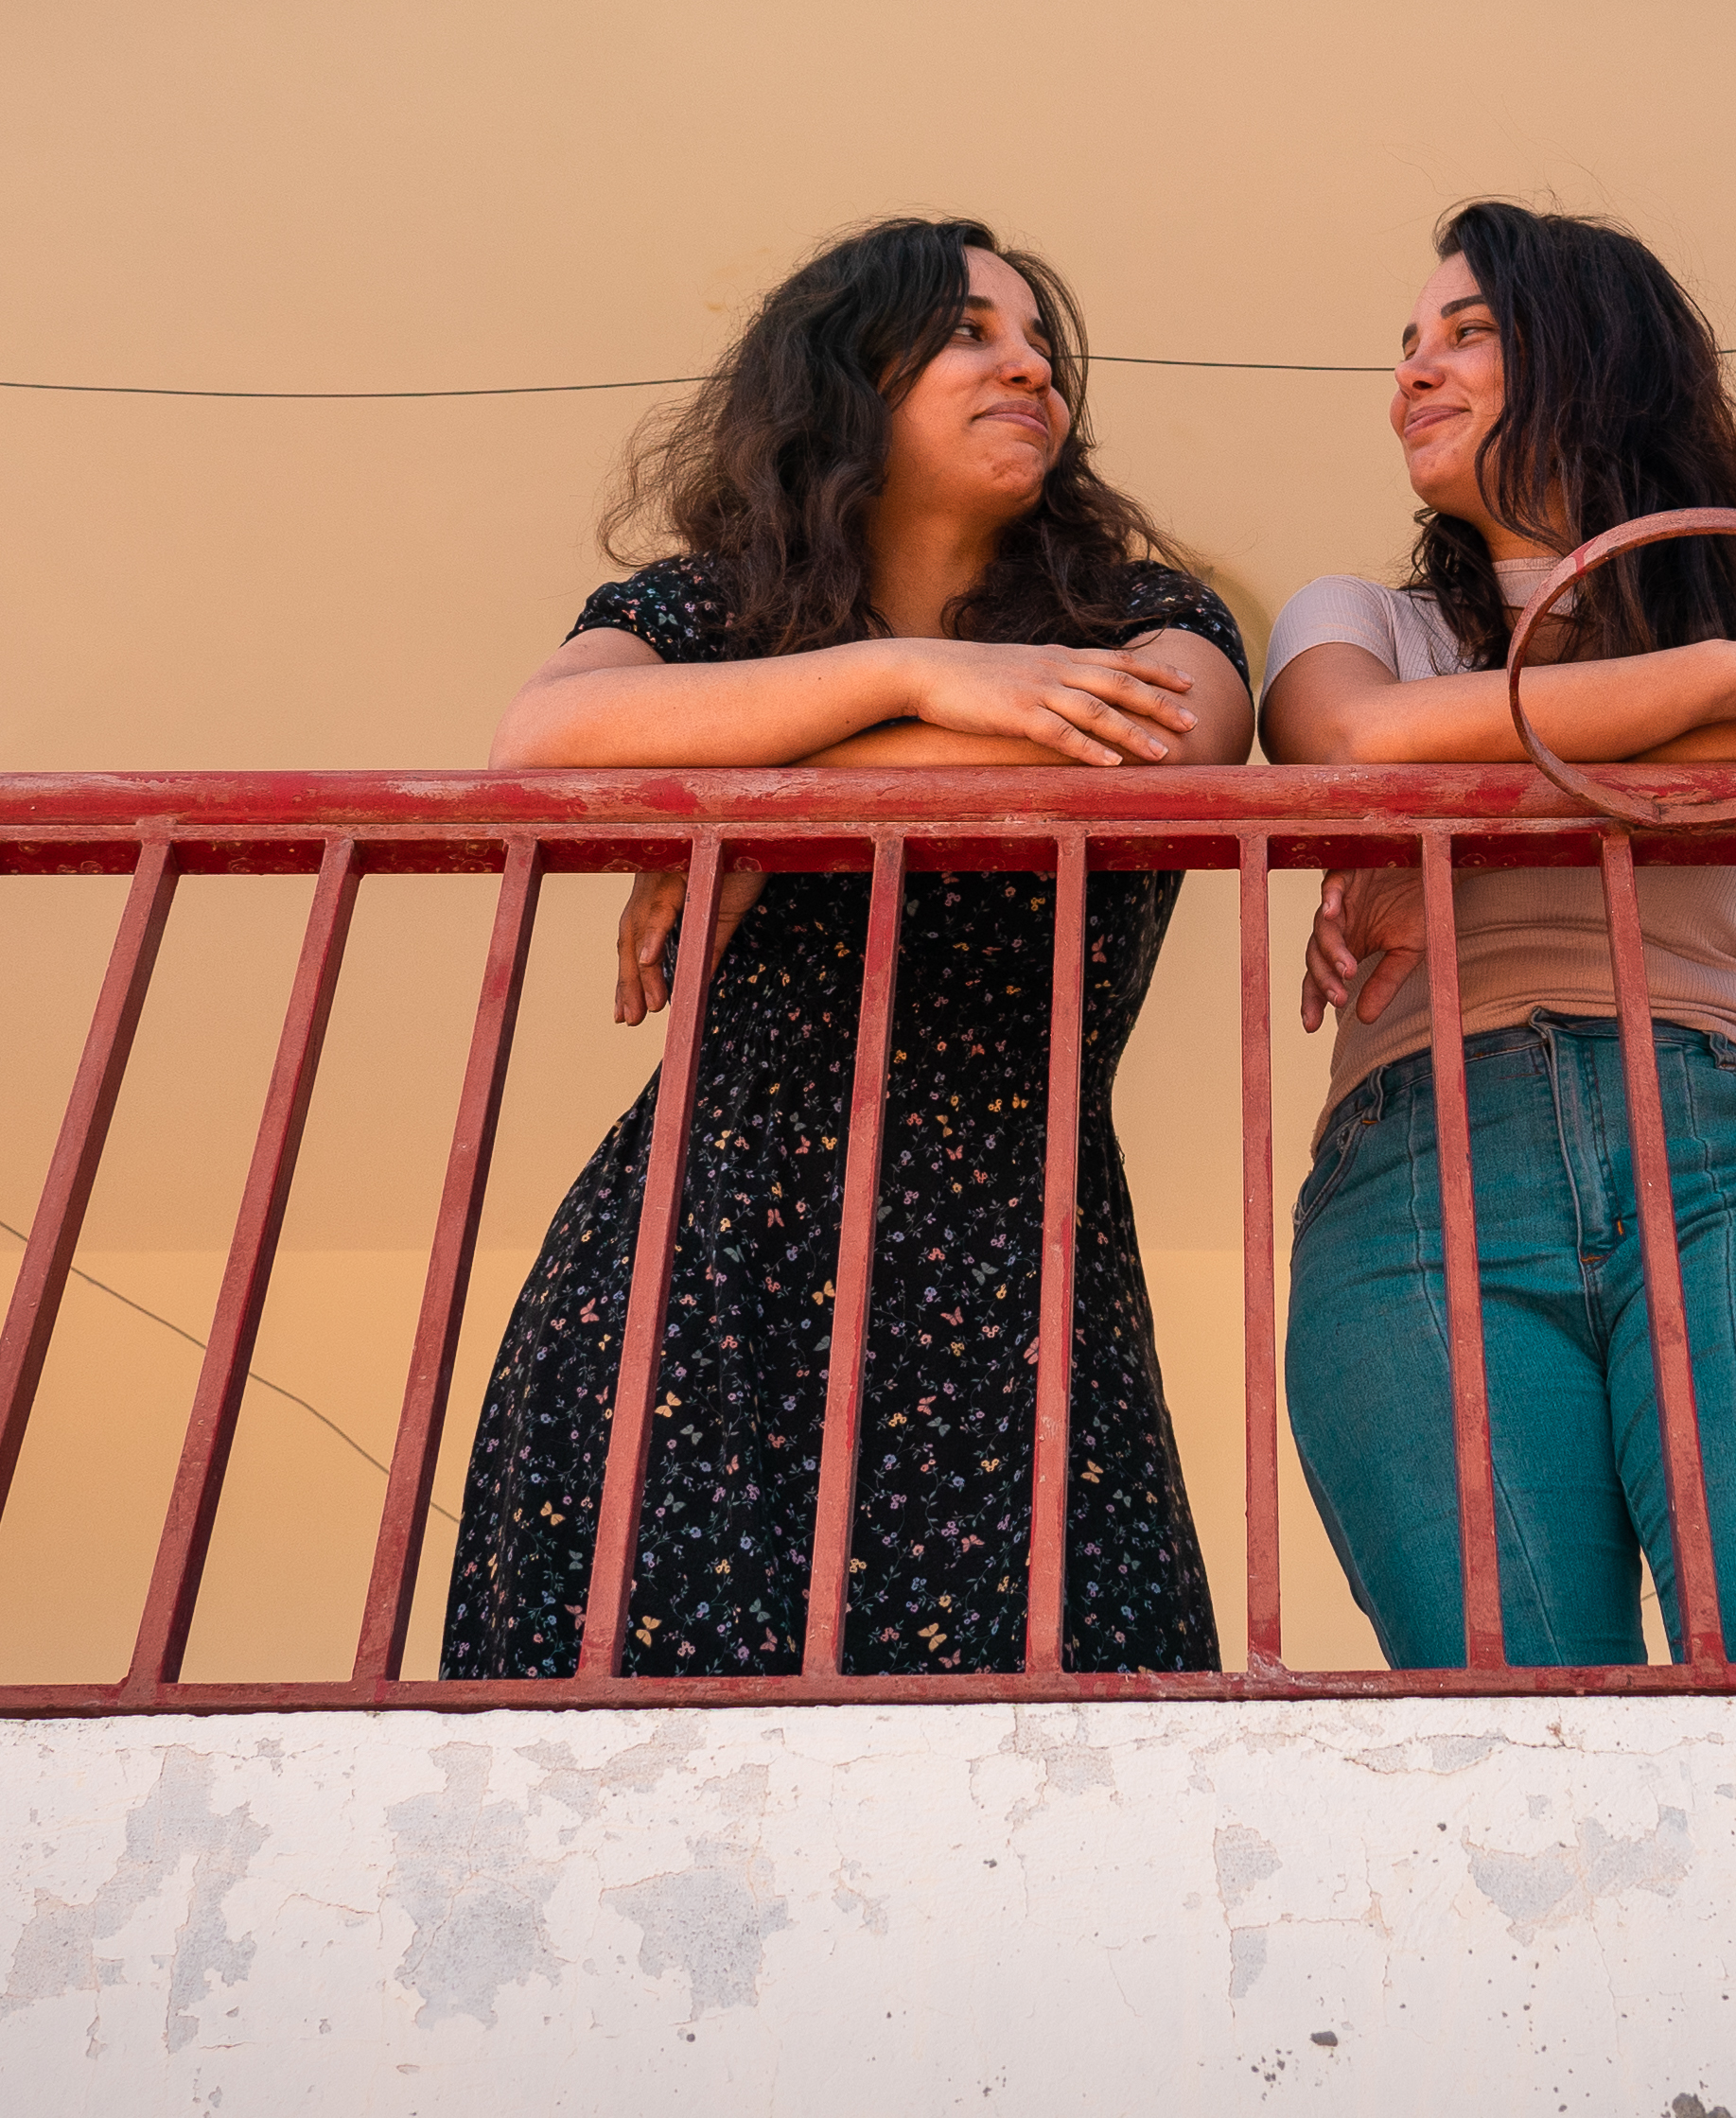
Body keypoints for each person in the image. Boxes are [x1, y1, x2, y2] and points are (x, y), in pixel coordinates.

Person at [445, 216, 1245, 1680]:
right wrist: (914, 676)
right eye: (971, 334)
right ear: (848, 378)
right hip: (700, 1270)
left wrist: (757, 808)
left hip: (1014, 1269)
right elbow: (540, 746)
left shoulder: (1134, 614)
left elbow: (1166, 742)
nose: (1033, 371)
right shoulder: (717, 610)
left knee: (1060, 1745)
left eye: (1042, 347)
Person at [1260, 201, 1736, 1669]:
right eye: (1407, 345)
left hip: (1728, 1141)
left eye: (1467, 333)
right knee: (1529, 1731)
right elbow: (1357, 740)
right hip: (1415, 1177)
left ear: (1588, 353)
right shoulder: (1356, 614)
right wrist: (1733, 684)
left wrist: (1463, 810)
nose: (1412, 373)